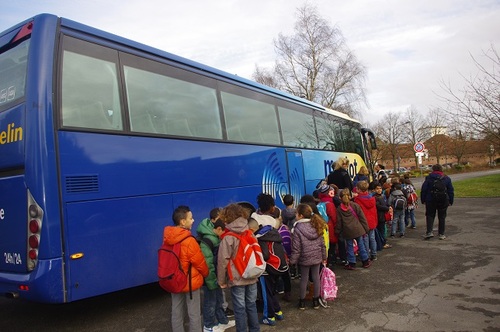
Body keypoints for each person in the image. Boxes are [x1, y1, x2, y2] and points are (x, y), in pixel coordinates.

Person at [163, 205, 209, 332]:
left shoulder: (167, 239)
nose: (193, 220)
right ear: (183, 222)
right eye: (191, 218)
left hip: (174, 280)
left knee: (176, 312)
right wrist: (206, 274)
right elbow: (200, 262)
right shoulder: (189, 240)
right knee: (194, 314)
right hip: (190, 283)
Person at [217, 204, 260, 332]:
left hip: (237, 278)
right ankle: (255, 329)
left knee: (240, 308)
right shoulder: (249, 232)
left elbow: (222, 261)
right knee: (251, 305)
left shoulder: (228, 237)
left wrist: (221, 281)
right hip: (252, 275)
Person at [196, 218, 235, 332]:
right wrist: (212, 280)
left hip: (215, 277)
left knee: (218, 300)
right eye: (223, 232)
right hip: (210, 278)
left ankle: (222, 321)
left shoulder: (214, 238)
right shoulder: (208, 240)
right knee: (210, 302)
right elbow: (207, 263)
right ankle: (208, 326)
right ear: (218, 229)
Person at [289, 203, 327, 310]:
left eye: (296, 213)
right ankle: (316, 300)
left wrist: (292, 261)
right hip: (317, 257)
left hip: (304, 258)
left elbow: (296, 248)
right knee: (316, 278)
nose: (295, 215)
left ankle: (302, 301)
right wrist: (324, 257)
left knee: (304, 279)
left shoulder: (297, 228)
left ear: (300, 215)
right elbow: (322, 243)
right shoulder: (316, 224)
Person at [251, 219, 286, 326]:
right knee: (272, 291)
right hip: (277, 268)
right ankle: (277, 311)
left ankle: (269, 317)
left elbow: (265, 255)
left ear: (252, 229)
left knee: (266, 294)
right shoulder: (271, 233)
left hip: (267, 270)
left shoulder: (260, 238)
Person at [335, 189, 372, 270]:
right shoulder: (355, 205)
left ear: (340, 198)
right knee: (361, 245)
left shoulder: (339, 209)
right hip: (358, 229)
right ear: (350, 196)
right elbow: (362, 218)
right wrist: (366, 228)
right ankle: (365, 261)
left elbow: (339, 222)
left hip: (347, 231)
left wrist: (337, 231)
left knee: (349, 246)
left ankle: (352, 263)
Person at [420, 164, 454, 240]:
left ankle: (429, 232)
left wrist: (423, 199)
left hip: (430, 199)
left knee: (430, 215)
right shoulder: (446, 178)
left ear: (433, 169)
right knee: (442, 217)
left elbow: (424, 189)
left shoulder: (429, 178)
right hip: (443, 199)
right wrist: (450, 200)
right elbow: (450, 190)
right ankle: (441, 234)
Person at [353, 180, 378, 261]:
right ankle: (374, 254)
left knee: (365, 239)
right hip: (372, 220)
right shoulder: (372, 198)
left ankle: (366, 255)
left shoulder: (357, 200)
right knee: (372, 238)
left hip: (364, 222)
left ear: (359, 189)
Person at [372, 181, 392, 249]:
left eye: (380, 188)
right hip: (379, 216)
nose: (379, 190)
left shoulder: (381, 196)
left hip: (382, 215)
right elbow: (378, 206)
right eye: (377, 189)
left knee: (382, 230)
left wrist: (388, 206)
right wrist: (387, 208)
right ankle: (383, 243)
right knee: (381, 230)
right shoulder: (375, 197)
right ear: (374, 190)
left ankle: (382, 242)